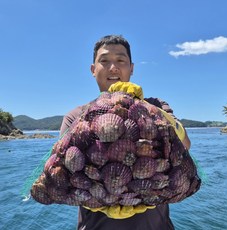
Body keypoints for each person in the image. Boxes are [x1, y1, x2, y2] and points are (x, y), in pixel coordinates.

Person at [60, 35, 191, 230]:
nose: (113, 67)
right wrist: (97, 204)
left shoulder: (156, 106)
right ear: (93, 70)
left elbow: (185, 144)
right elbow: (66, 173)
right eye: (104, 61)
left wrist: (144, 105)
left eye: (121, 60)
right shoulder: (77, 116)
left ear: (132, 68)